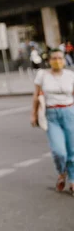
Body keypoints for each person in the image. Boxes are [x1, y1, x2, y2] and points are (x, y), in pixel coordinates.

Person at [31, 49, 74, 195]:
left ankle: (73, 180)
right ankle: (61, 173)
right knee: (59, 151)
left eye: (60, 58)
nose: (57, 61)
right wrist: (33, 115)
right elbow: (36, 96)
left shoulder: (70, 75)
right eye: (54, 58)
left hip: (69, 112)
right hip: (51, 114)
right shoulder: (42, 75)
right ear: (49, 60)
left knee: (72, 150)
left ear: (64, 60)